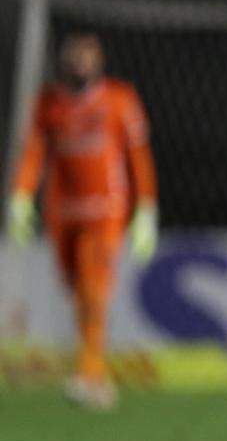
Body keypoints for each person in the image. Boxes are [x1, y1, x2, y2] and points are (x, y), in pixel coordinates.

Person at [5, 32, 159, 410]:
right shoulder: (47, 103)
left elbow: (138, 157)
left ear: (99, 62)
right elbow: (35, 152)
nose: (80, 65)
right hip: (64, 212)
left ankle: (87, 373)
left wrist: (146, 210)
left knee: (94, 289)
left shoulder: (119, 99)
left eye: (86, 58)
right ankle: (98, 378)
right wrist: (22, 196)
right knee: (78, 292)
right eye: (74, 58)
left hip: (105, 211)